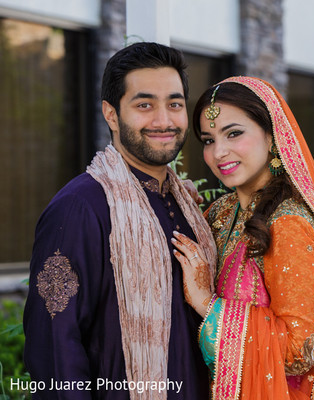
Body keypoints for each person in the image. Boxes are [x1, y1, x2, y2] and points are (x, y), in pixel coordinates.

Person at [23, 42, 216, 400]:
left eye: (174, 104)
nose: (163, 120)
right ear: (111, 114)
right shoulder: (80, 208)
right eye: (144, 105)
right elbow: (54, 345)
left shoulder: (185, 205)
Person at [171, 76, 314, 400]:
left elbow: (299, 350)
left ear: (272, 137)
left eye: (233, 133)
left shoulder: (288, 225)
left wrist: (207, 305)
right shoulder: (222, 212)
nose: (219, 152)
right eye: (208, 140)